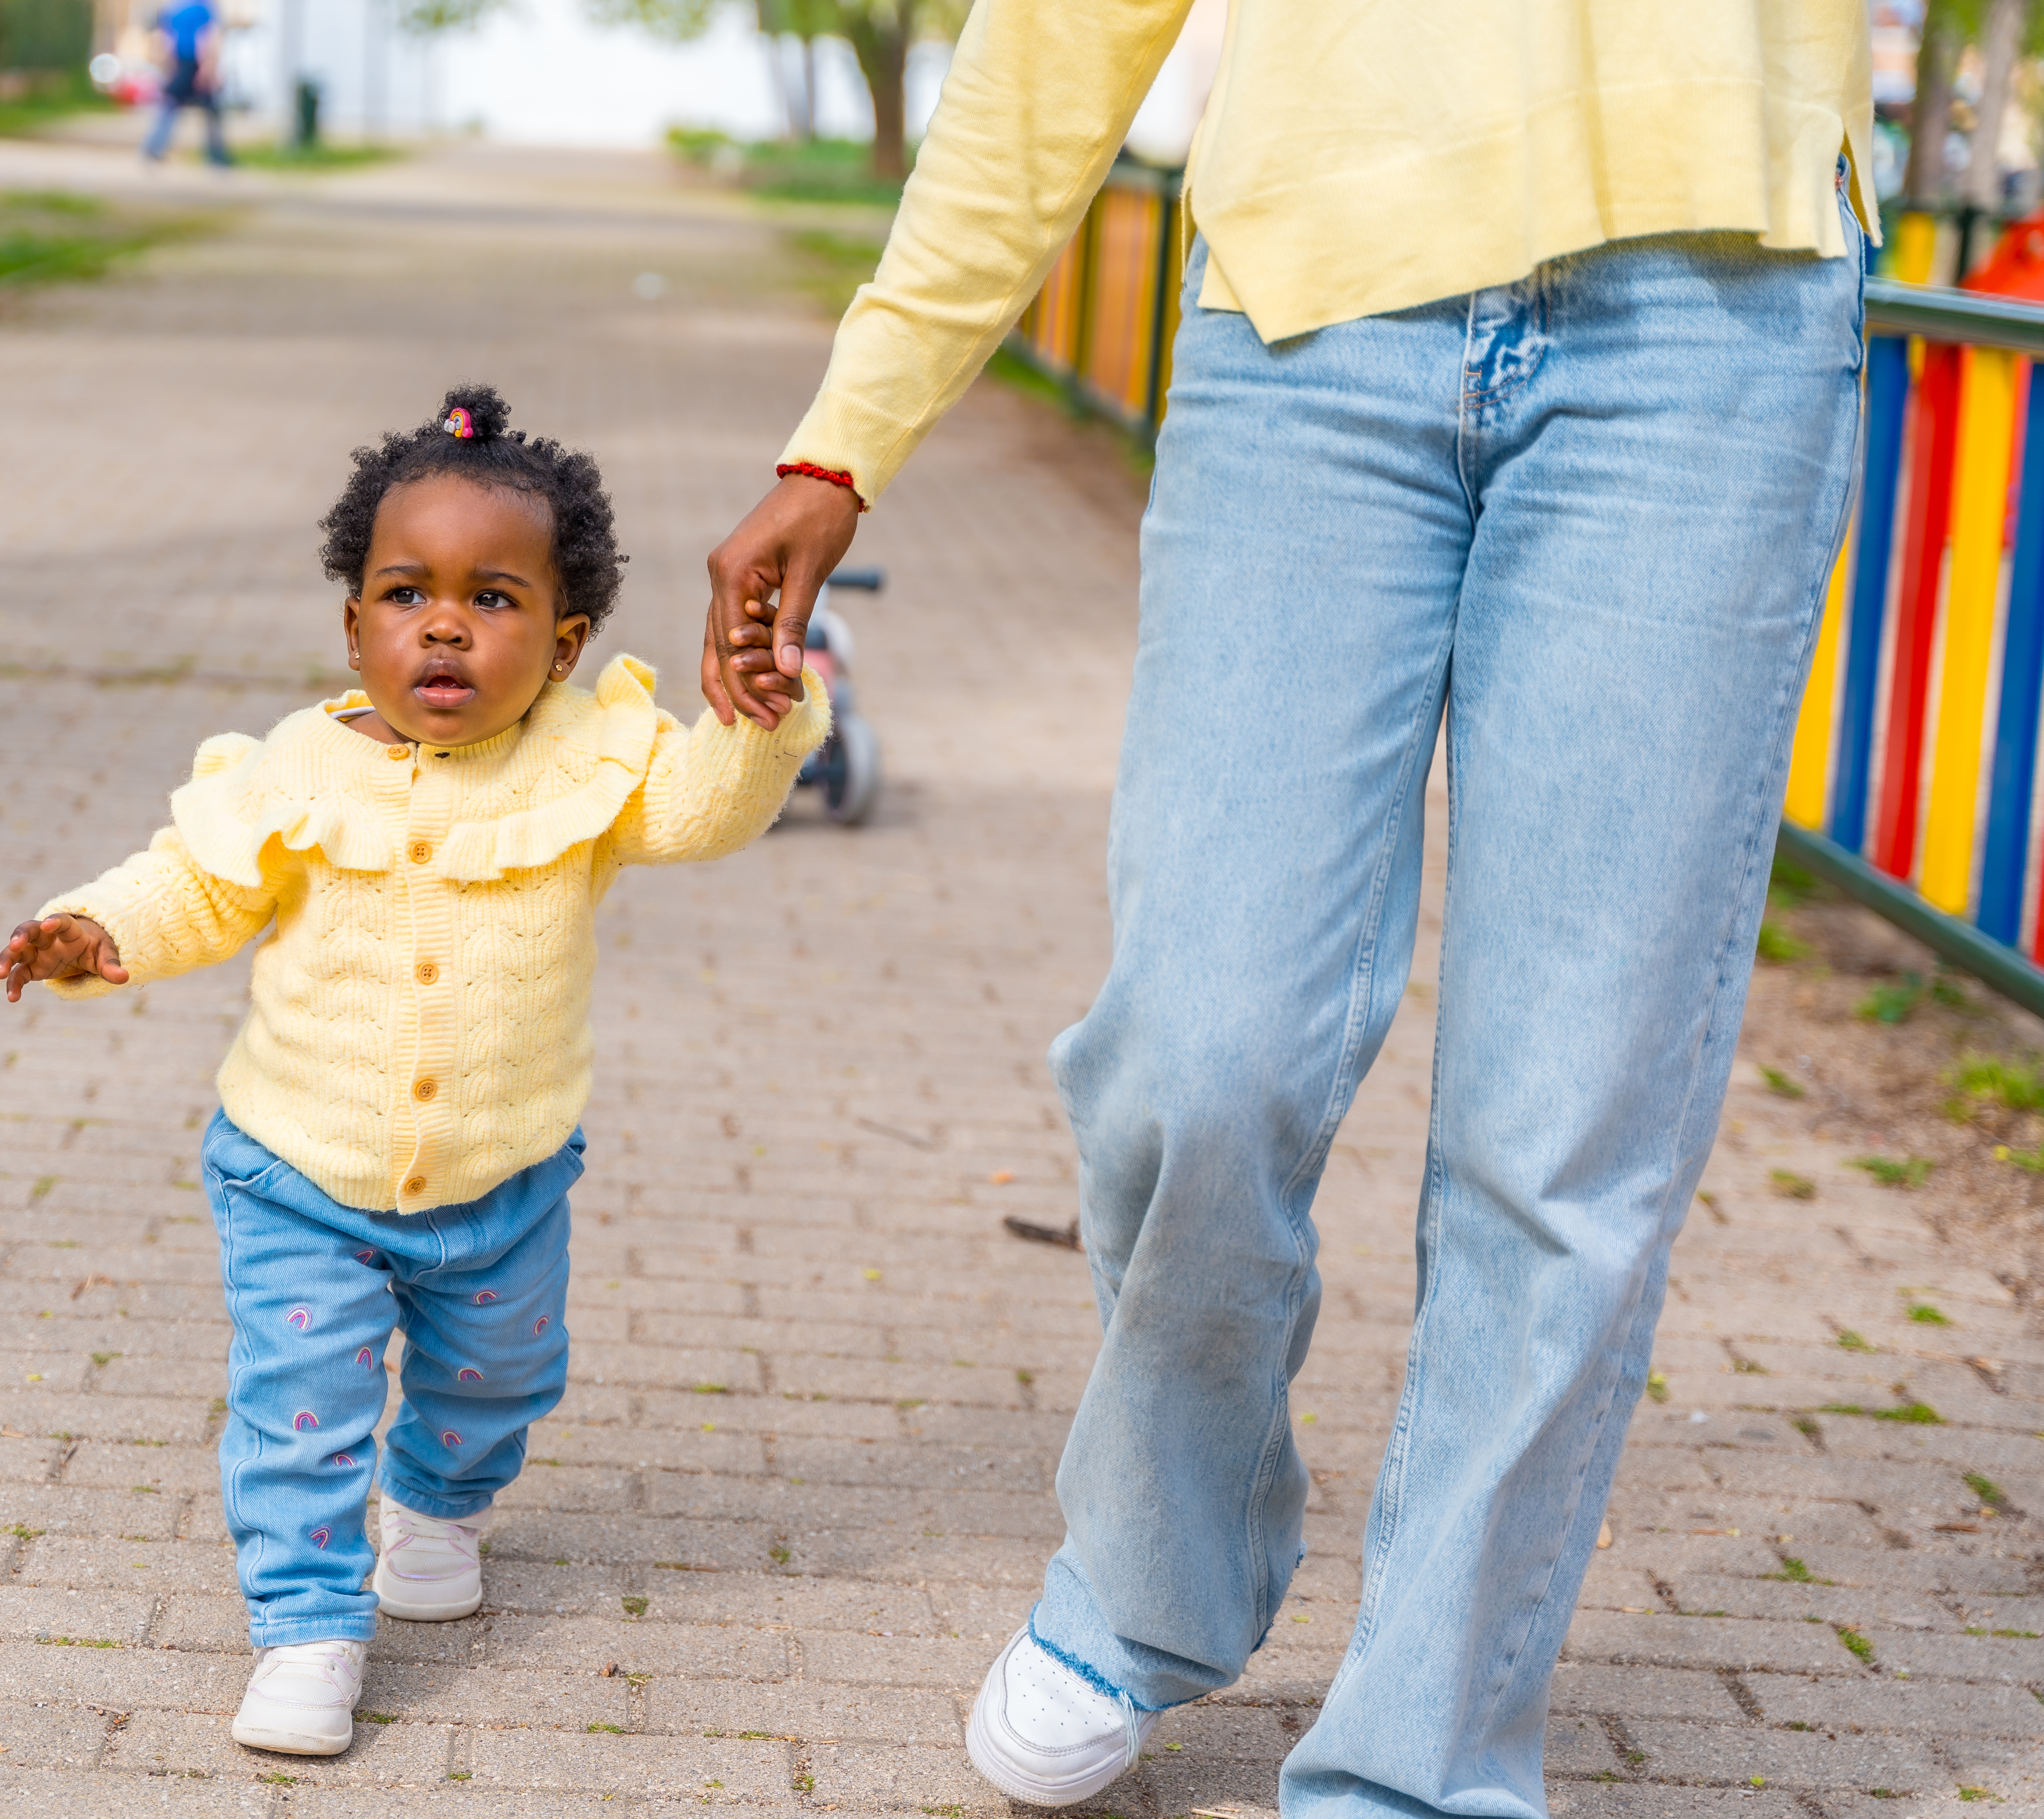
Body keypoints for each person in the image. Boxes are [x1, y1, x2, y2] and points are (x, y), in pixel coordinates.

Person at [701, 2, 1872, 1813]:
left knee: (1562, 1125)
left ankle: (1418, 1765)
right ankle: (1160, 1573)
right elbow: (1060, 36)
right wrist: (846, 438)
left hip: (1713, 323)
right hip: (1311, 321)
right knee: (1201, 1046)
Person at [0, 384, 827, 1758]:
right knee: (297, 1400)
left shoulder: (592, 762)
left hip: (501, 1177)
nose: (443, 624)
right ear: (352, 623)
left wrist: (750, 719)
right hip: (298, 1167)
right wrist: (97, 928)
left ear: (561, 646)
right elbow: (191, 884)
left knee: (501, 1375)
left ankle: (436, 1501)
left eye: (492, 599)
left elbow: (702, 814)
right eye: (405, 593)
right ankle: (307, 1628)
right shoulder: (295, 769)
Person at [143, 0, 231, 166]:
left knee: (172, 104)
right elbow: (207, 38)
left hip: (180, 63)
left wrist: (169, 67)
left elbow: (166, 40)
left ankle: (153, 147)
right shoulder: (204, 8)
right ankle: (217, 155)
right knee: (210, 110)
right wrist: (208, 68)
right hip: (197, 64)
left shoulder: (174, 9)